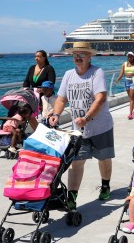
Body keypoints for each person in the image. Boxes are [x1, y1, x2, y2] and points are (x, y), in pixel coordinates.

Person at [48, 42, 115, 207]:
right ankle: (72, 198)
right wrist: (56, 114)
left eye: (82, 54)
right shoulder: (68, 75)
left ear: (89, 56)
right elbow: (62, 98)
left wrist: (87, 117)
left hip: (101, 126)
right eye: (75, 54)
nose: (78, 57)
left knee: (104, 158)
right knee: (76, 162)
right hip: (78, 129)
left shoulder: (96, 73)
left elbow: (100, 98)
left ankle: (105, 185)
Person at [114, 52, 134, 119]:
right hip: (127, 81)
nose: (130, 57)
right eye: (128, 56)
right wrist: (117, 80)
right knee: (131, 98)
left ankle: (130, 114)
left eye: (131, 56)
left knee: (131, 97)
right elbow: (121, 74)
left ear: (133, 57)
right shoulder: (124, 64)